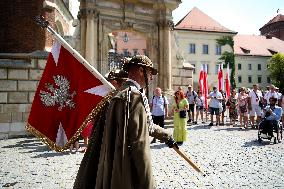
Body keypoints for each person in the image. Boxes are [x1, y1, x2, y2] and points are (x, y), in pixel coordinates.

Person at [73, 55, 176, 189]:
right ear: (140, 70)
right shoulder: (135, 96)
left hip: (110, 162)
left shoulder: (118, 94)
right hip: (125, 163)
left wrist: (166, 135)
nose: (151, 77)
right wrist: (147, 181)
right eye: (150, 73)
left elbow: (145, 125)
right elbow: (139, 142)